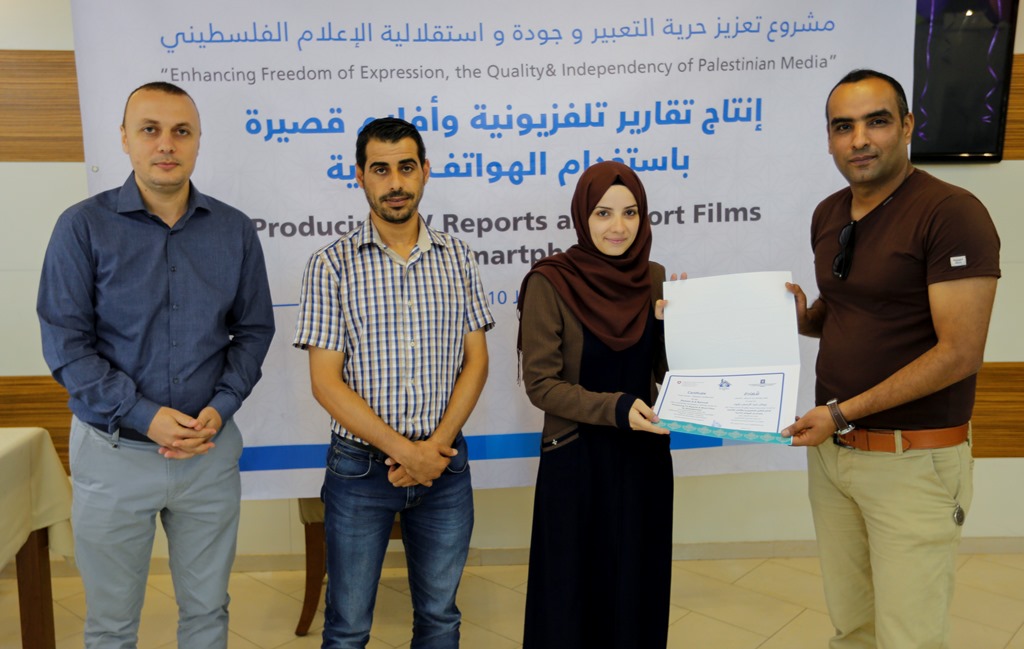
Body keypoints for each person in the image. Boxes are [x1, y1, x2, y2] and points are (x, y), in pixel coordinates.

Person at [36, 81, 276, 648]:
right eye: (150, 129)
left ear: (198, 141)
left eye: (181, 131)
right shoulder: (82, 226)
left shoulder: (234, 230)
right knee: (111, 624)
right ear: (125, 138)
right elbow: (67, 344)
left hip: (208, 453)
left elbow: (254, 331)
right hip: (113, 453)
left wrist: (221, 407)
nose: (166, 144)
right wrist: (145, 415)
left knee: (208, 613)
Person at [783, 69, 1000, 648]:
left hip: (913, 460)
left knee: (909, 637)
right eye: (844, 127)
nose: (860, 140)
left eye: (876, 122)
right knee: (853, 627)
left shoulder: (951, 213)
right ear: (829, 139)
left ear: (906, 127)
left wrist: (841, 412)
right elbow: (849, 310)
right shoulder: (829, 213)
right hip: (834, 456)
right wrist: (802, 318)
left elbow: (959, 353)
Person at [293, 117, 494, 649]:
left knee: (440, 619)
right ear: (360, 176)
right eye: (380, 170)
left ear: (425, 171)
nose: (396, 182)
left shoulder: (459, 258)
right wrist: (408, 453)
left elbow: (476, 362)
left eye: (406, 167)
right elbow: (325, 384)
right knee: (348, 628)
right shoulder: (330, 265)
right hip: (360, 471)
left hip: (445, 469)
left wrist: (434, 452)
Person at [516, 160, 673, 649]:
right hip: (577, 459)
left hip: (643, 459)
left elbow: (666, 374)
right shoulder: (549, 282)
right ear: (583, 217)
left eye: (630, 213)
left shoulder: (654, 278)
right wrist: (617, 408)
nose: (618, 226)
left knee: (638, 588)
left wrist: (678, 329)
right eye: (603, 213)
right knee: (573, 596)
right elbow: (542, 385)